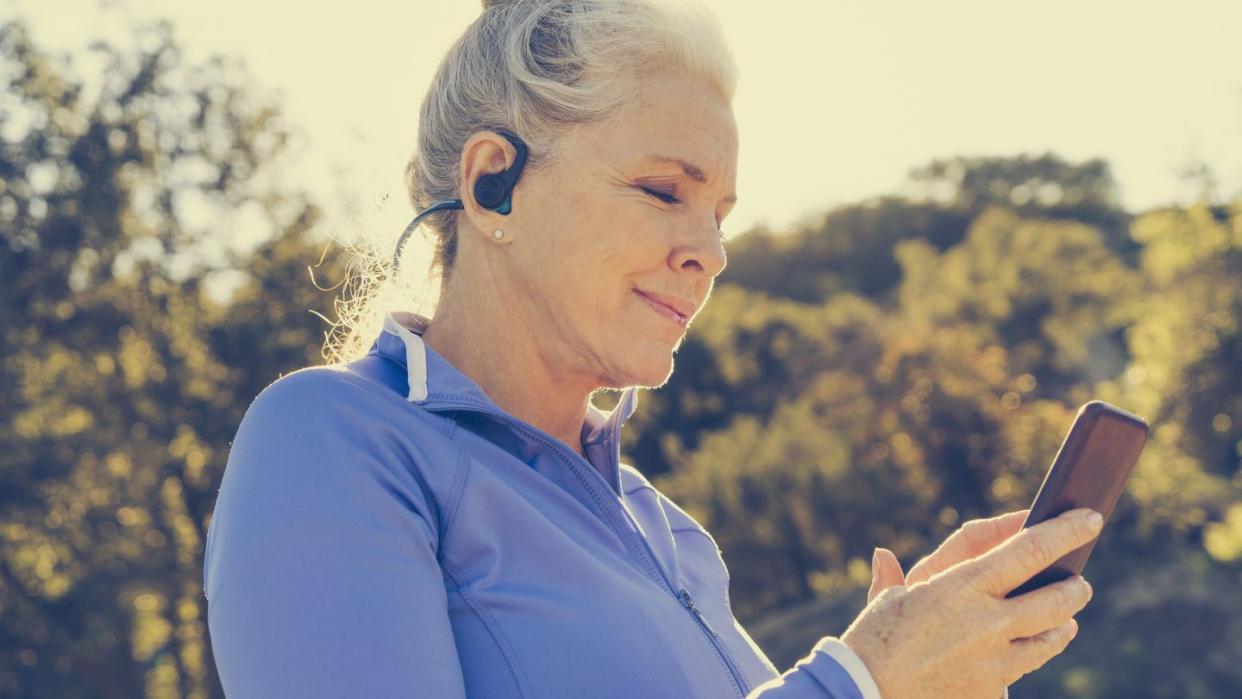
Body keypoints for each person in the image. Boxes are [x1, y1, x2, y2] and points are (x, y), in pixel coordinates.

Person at [201, 0, 1098, 696]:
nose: (710, 250)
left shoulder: (673, 536)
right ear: (493, 185)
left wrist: (911, 677)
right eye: (665, 189)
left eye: (720, 213)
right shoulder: (332, 440)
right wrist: (862, 682)